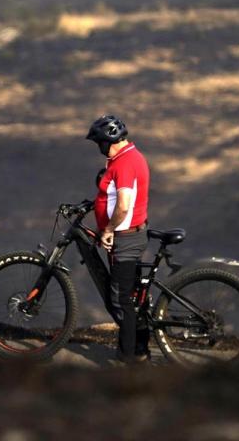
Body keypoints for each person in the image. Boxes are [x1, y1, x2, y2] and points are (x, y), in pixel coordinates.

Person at [85, 114, 151, 364]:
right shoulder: (129, 156)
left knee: (121, 300)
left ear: (107, 141)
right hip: (131, 236)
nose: (99, 150)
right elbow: (113, 196)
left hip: (126, 240)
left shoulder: (123, 163)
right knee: (132, 298)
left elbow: (123, 206)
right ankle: (141, 350)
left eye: (99, 144)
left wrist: (108, 230)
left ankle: (128, 359)